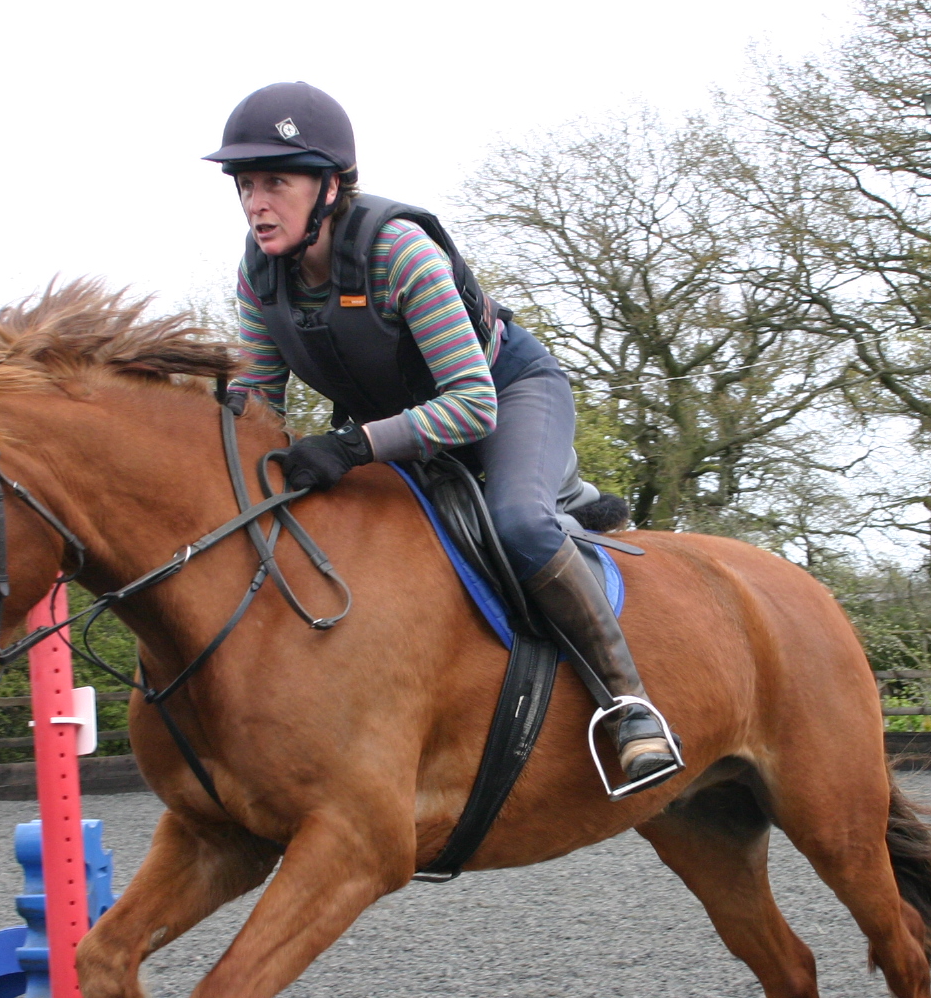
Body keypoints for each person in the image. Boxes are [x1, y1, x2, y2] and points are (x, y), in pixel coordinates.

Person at [206, 81, 679, 797]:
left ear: (330, 186)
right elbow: (257, 408)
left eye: (276, 182)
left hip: (502, 395)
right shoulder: (258, 276)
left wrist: (351, 447)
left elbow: (470, 407)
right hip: (400, 423)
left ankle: (630, 706)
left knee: (518, 524)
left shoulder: (400, 251)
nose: (255, 203)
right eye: (245, 184)